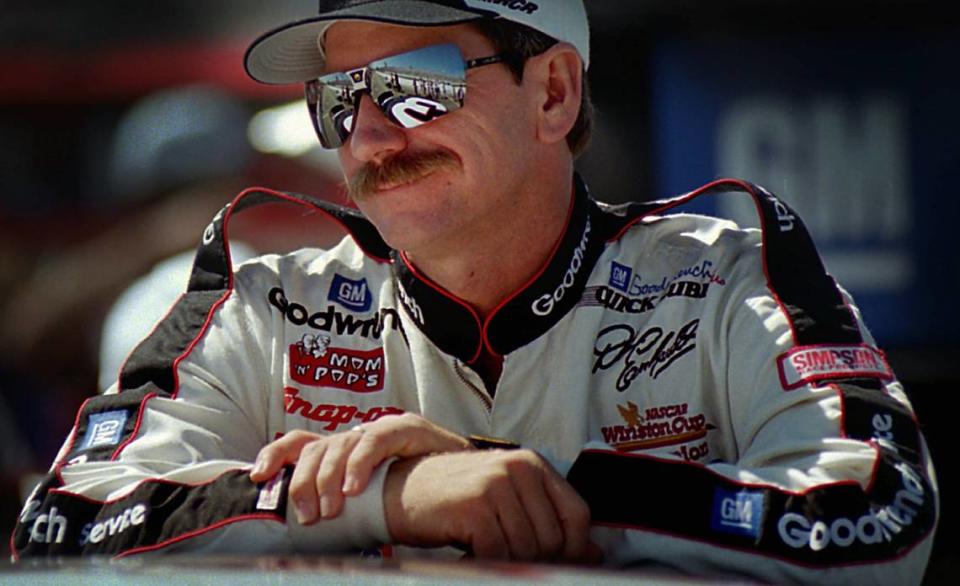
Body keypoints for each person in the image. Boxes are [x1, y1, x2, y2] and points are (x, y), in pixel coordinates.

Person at [13, 1, 937, 583]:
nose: (371, 135)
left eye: (419, 86)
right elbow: (58, 530)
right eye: (339, 99)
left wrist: (526, 480)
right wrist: (398, 497)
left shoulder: (728, 277)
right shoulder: (257, 304)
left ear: (554, 94)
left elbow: (877, 519)